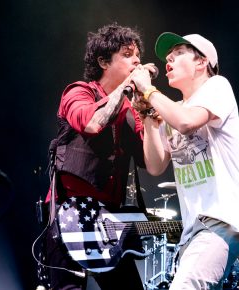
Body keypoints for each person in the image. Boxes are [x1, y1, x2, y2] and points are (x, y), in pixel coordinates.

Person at [130, 32, 239, 289]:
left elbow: (187, 122)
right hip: (194, 230)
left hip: (219, 221)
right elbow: (155, 165)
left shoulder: (218, 86)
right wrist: (149, 117)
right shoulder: (174, 107)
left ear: (201, 62)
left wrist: (149, 90)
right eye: (167, 57)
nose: (168, 60)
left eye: (177, 54)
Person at [40, 23, 156, 290]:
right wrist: (127, 86)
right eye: (127, 54)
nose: (137, 60)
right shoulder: (79, 92)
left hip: (109, 221)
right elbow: (91, 123)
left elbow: (150, 163)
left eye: (138, 54)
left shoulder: (131, 110)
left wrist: (151, 116)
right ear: (103, 61)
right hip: (68, 212)